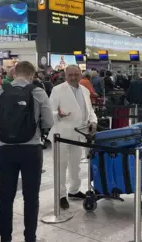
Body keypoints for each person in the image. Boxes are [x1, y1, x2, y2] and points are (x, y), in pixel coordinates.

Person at [0, 61, 54, 242]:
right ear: (32, 75)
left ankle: (5, 238)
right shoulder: (38, 92)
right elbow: (49, 122)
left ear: (14, 74)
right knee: (31, 197)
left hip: (5, 150)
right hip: (31, 150)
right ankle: (30, 237)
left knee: (6, 196)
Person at [49, 65, 97, 209]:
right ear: (65, 75)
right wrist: (58, 114)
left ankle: (74, 190)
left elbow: (89, 110)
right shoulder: (58, 90)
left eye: (76, 74)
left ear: (81, 74)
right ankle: (61, 195)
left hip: (79, 134)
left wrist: (93, 121)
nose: (74, 77)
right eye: (70, 75)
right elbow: (49, 112)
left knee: (75, 165)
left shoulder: (85, 90)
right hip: (61, 134)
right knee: (61, 166)